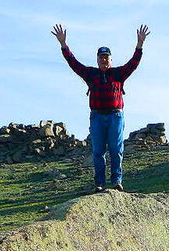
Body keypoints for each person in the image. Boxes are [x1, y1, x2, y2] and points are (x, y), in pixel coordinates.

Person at [51, 23, 150, 192]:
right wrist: (63, 45)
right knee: (98, 152)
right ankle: (99, 183)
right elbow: (73, 63)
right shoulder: (91, 74)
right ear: (97, 60)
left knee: (116, 150)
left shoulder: (119, 73)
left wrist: (139, 45)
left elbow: (134, 63)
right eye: (101, 57)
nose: (104, 60)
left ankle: (116, 181)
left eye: (106, 57)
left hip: (115, 117)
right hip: (97, 117)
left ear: (111, 59)